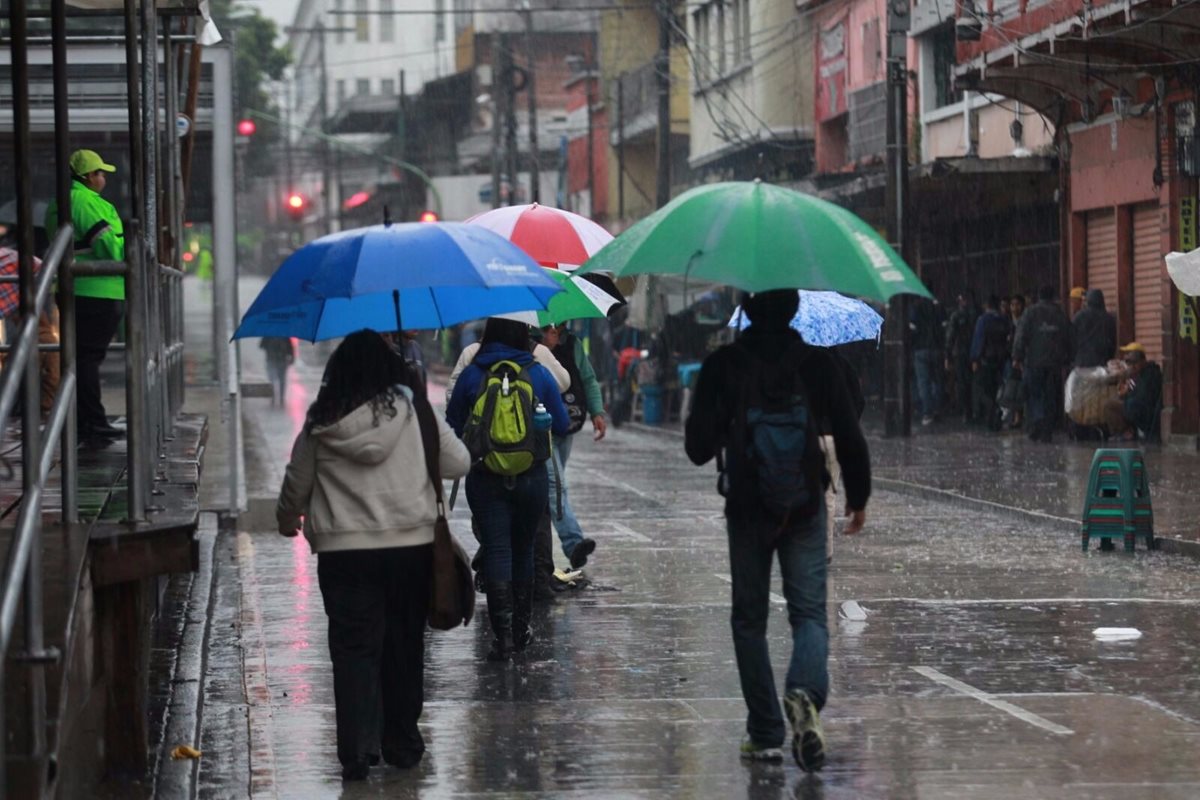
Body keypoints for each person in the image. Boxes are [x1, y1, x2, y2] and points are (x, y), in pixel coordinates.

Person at [684, 290, 870, 772]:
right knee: (809, 613)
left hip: (747, 506)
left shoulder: (724, 364)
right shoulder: (819, 364)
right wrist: (859, 497)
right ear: (793, 311)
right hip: (805, 502)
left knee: (749, 620)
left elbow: (697, 448)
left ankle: (765, 729)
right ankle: (804, 694)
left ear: (746, 309)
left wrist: (727, 422)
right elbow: (849, 432)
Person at [275, 330, 470, 781]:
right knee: (404, 644)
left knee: (353, 650)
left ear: (337, 373)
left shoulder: (322, 420)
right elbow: (458, 462)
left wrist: (288, 521)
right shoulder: (415, 409)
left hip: (345, 556)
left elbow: (295, 486)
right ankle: (401, 742)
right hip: (410, 549)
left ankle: (357, 750)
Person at [445, 318, 570, 662]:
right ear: (522, 334)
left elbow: (453, 423)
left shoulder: (474, 372)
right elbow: (562, 424)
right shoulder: (539, 373)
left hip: (485, 477)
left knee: (498, 549)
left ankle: (503, 640)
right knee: (524, 549)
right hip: (531, 477)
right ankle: (522, 630)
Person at [44, 149, 125, 441]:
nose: (103, 178)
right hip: (97, 290)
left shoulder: (59, 203)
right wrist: (132, 247)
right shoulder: (86, 202)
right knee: (89, 358)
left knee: (79, 358)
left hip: (73, 289)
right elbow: (109, 247)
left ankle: (82, 419)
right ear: (89, 176)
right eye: (100, 173)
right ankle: (93, 422)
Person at [543, 321, 606, 569]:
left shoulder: (573, 344)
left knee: (553, 487)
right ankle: (573, 544)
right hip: (541, 430)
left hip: (566, 426)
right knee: (555, 486)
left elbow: (587, 378)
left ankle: (545, 548)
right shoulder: (531, 345)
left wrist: (597, 411)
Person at [1012, 286, 1072, 443]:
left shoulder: (1030, 312)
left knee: (1034, 394)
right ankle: (1047, 429)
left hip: (1034, 362)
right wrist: (1067, 358)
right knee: (1050, 395)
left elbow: (1021, 335)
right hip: (1054, 363)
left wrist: (1017, 357)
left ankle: (1036, 423)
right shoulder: (1060, 313)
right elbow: (1069, 336)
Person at [1104, 342, 1163, 440]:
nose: (1128, 365)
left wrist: (1127, 395)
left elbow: (1141, 398)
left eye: (1129, 361)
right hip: (1136, 405)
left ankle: (1125, 432)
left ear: (1138, 362)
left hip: (1144, 412)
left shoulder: (1149, 375)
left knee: (1109, 406)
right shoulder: (1137, 375)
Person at [909, 288, 943, 426]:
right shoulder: (938, 308)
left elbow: (912, 329)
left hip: (921, 349)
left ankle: (927, 412)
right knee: (937, 381)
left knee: (923, 383)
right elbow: (944, 328)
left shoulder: (916, 308)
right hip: (936, 348)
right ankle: (936, 409)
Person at [945, 291, 978, 423]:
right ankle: (973, 410)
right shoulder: (976, 315)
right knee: (971, 382)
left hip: (961, 353)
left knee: (963, 383)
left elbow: (950, 336)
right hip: (973, 352)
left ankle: (966, 411)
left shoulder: (957, 315)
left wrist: (948, 354)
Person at [1071, 289, 1117, 369]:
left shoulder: (1080, 316)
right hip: (1103, 360)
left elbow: (1070, 336)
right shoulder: (1109, 318)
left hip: (1082, 361)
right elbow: (1113, 341)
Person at [259, 336, 296, 407]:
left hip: (271, 360)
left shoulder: (268, 335)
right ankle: (281, 398)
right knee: (281, 380)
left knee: (272, 380)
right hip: (281, 360)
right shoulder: (285, 336)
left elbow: (261, 346)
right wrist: (292, 358)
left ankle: (273, 397)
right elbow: (290, 348)